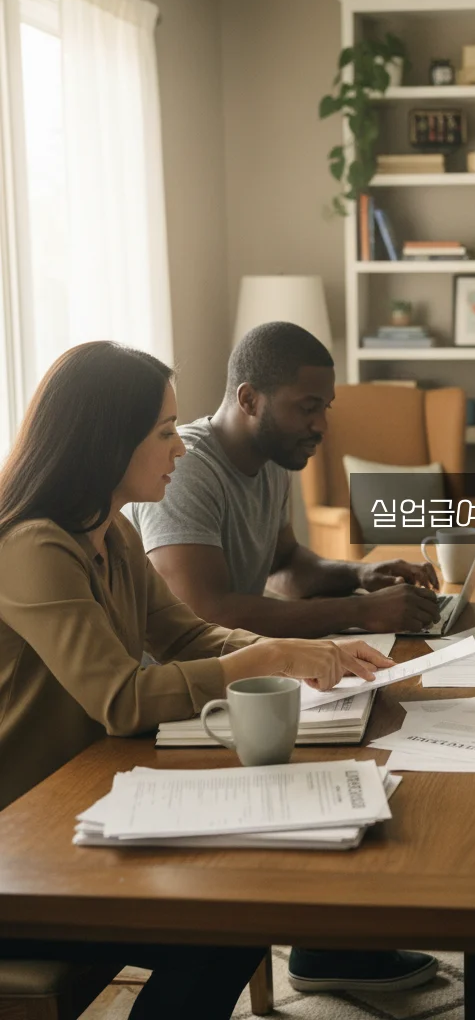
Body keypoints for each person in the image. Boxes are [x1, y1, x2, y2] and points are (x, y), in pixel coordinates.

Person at [0, 342, 405, 1019]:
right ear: (108, 442)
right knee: (228, 919)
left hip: (84, 804)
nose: (179, 450)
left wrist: (292, 652)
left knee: (239, 910)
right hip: (23, 841)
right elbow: (122, 700)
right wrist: (266, 659)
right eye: (163, 433)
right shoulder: (33, 547)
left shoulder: (112, 528)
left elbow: (186, 634)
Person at [129, 321, 441, 639]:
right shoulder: (185, 470)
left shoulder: (272, 460)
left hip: (241, 663)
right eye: (308, 408)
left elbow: (285, 566)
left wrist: (360, 574)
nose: (322, 426)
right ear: (249, 400)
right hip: (184, 679)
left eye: (325, 408)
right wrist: (363, 610)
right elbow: (206, 616)